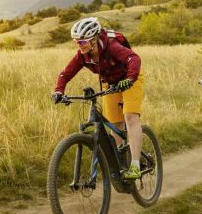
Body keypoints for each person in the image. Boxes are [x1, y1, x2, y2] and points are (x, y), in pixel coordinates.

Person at [51, 17, 145, 180]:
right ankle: (120, 164)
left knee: (130, 117)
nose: (78, 45)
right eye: (76, 41)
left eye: (82, 42)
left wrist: (130, 78)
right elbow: (65, 74)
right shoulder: (82, 56)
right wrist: (59, 91)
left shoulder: (112, 47)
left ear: (93, 39)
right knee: (115, 123)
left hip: (130, 79)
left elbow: (134, 58)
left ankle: (135, 165)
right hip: (110, 83)